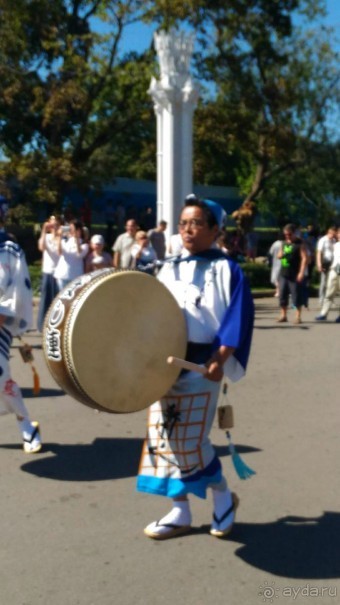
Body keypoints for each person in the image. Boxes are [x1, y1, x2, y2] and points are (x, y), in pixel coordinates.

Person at [137, 197, 254, 540]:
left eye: (197, 223)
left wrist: (220, 358)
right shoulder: (167, 266)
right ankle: (180, 509)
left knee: (191, 441)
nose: (187, 230)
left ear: (216, 230)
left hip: (202, 363)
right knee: (162, 440)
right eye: (183, 223)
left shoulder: (228, 269)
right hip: (162, 362)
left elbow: (237, 319)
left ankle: (222, 496)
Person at [0, 239, 42, 453]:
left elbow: (19, 292)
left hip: (1, 321)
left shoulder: (10, 250)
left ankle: (25, 423)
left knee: (1, 376)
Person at [277, 224, 308, 324]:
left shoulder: (299, 243)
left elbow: (304, 258)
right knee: (282, 294)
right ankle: (283, 315)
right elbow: (279, 255)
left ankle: (298, 316)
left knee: (296, 295)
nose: (287, 236)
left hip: (294, 273)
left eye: (289, 234)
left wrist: (301, 272)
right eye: (285, 234)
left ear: (294, 233)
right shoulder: (283, 243)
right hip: (283, 273)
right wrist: (280, 255)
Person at [36, 214, 61, 332]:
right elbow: (41, 247)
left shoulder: (62, 237)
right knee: (45, 298)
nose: (54, 226)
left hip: (59, 272)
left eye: (56, 224)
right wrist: (44, 230)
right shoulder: (46, 237)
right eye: (52, 223)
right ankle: (42, 325)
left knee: (57, 299)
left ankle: (55, 324)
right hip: (47, 270)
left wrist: (58, 235)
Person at [54, 219, 89, 291]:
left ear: (78, 230)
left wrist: (76, 238)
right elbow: (59, 252)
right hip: (62, 274)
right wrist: (60, 237)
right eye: (69, 228)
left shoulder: (84, 245)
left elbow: (80, 254)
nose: (70, 230)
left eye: (72, 228)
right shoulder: (65, 241)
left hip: (75, 276)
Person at [315, 227, 340, 322]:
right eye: (338, 233)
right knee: (329, 292)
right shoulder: (336, 245)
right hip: (334, 269)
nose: (338, 235)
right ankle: (323, 313)